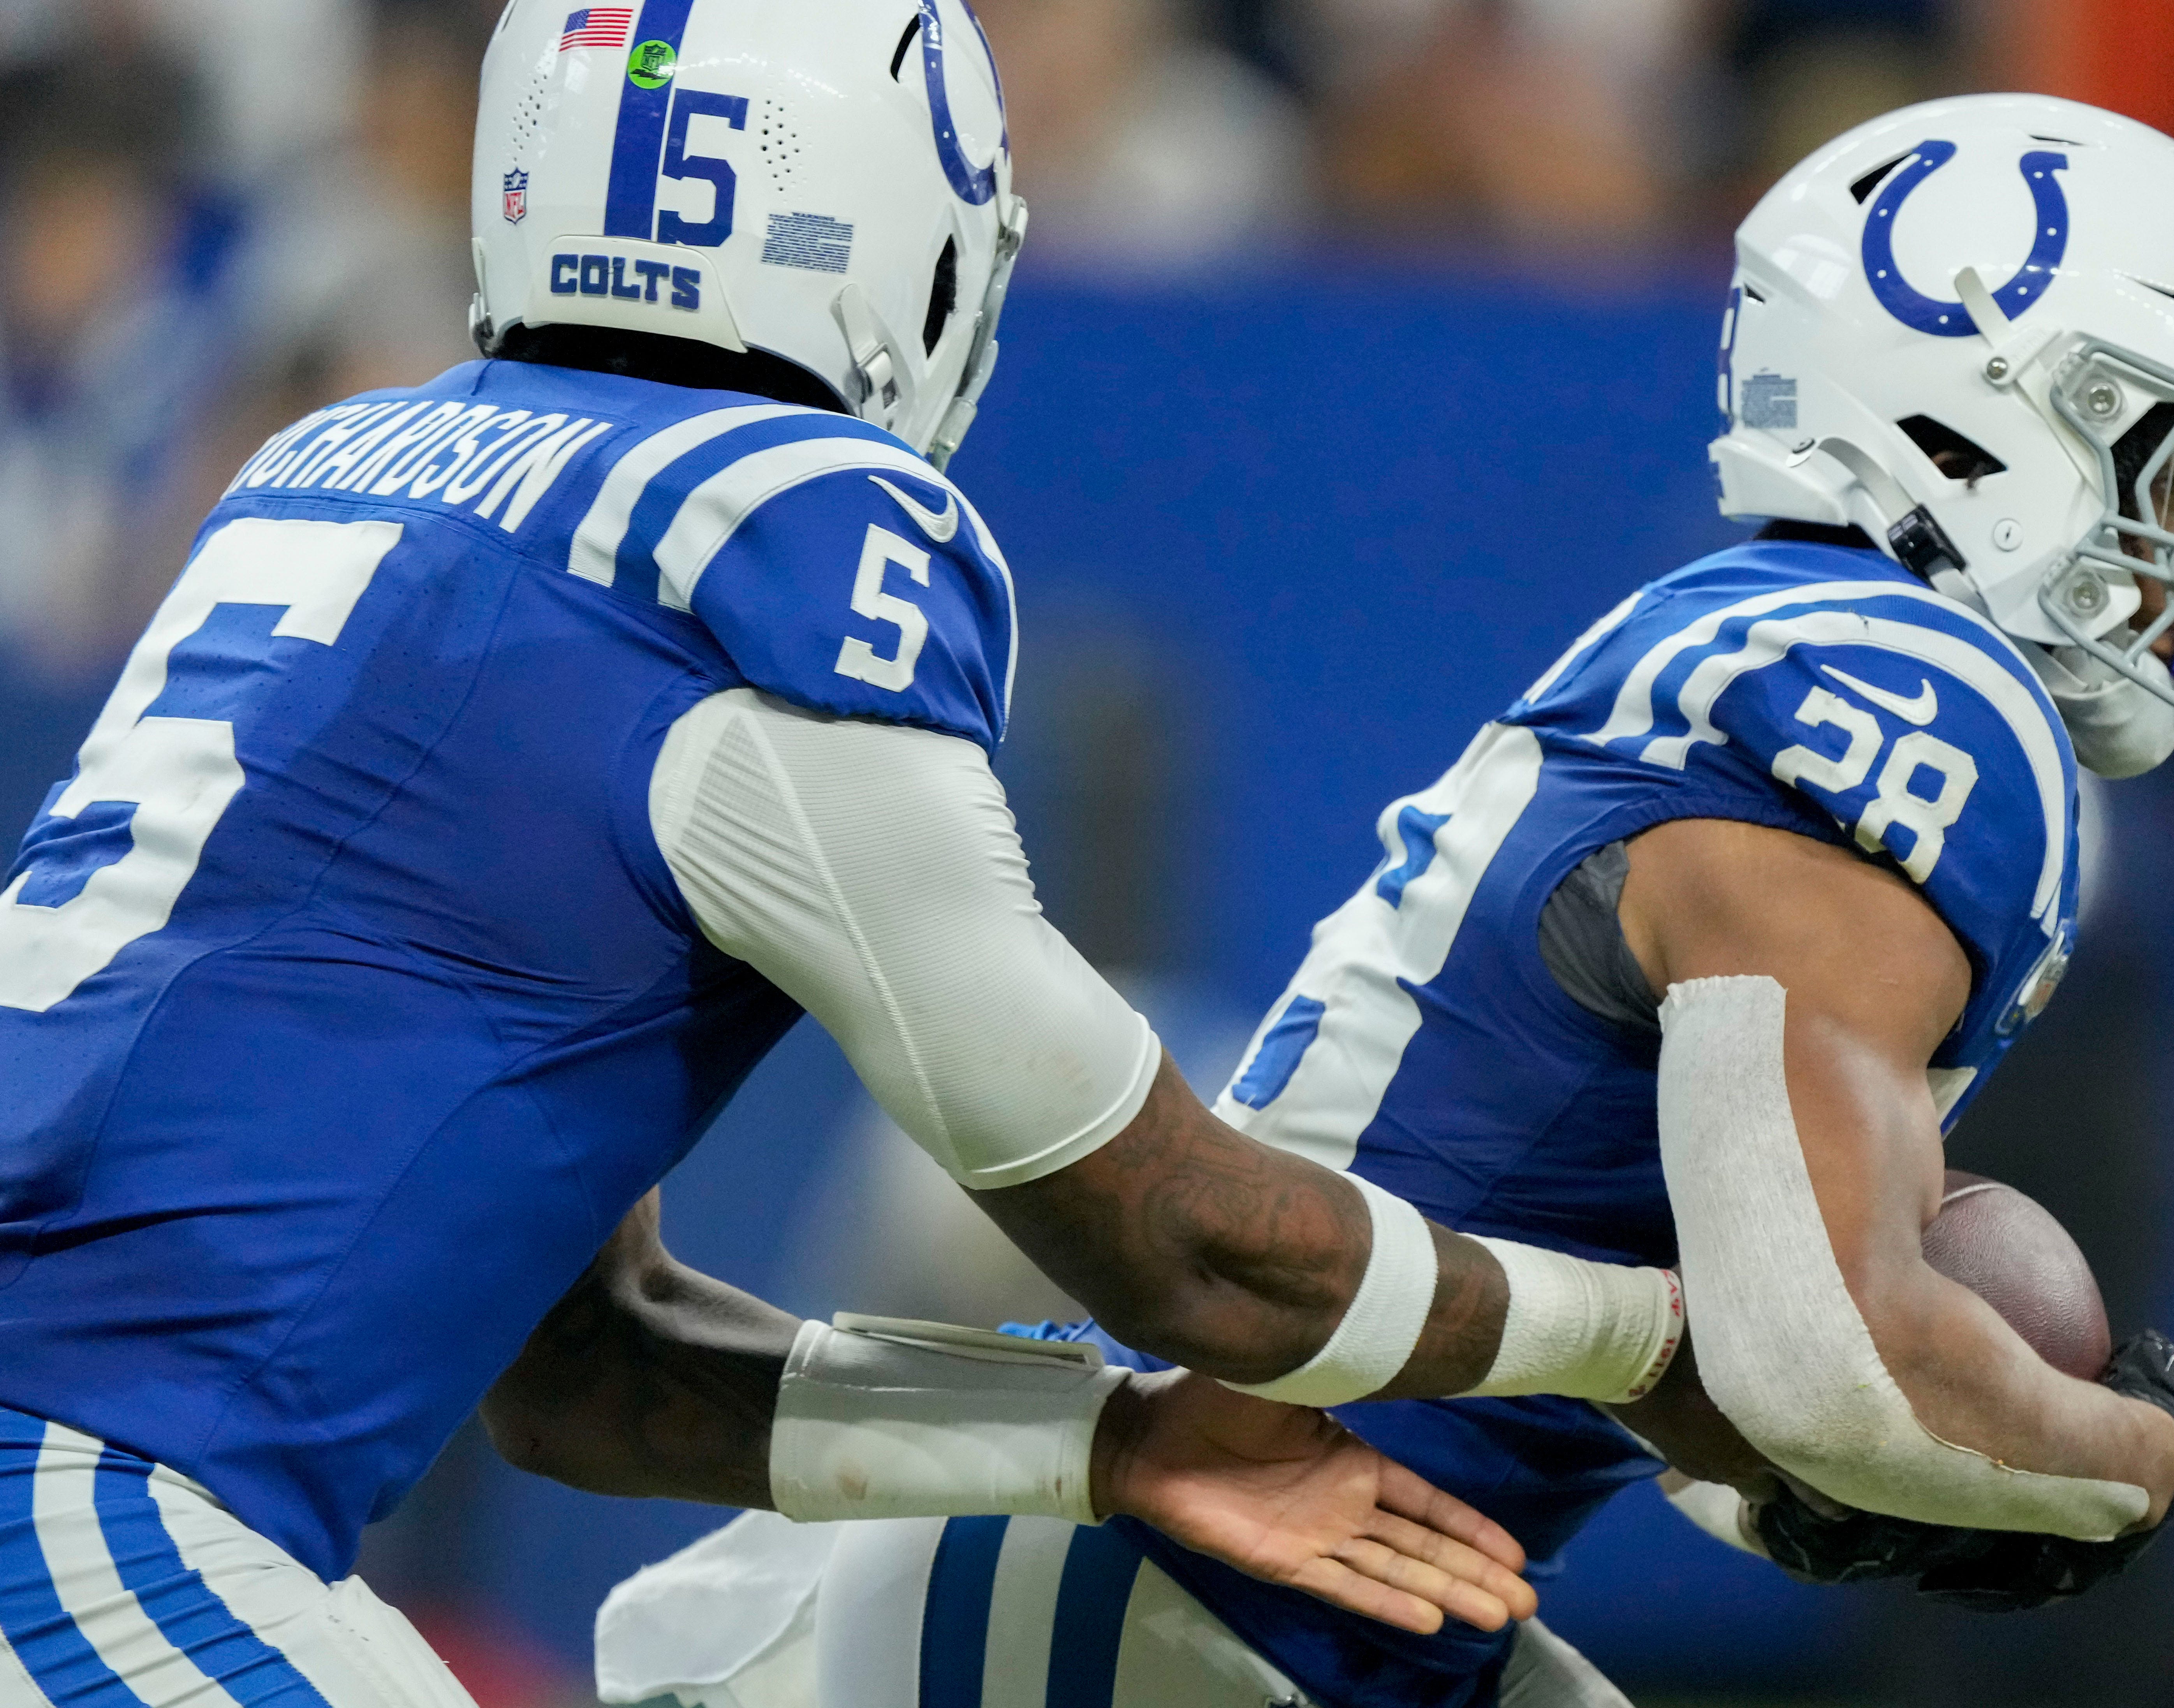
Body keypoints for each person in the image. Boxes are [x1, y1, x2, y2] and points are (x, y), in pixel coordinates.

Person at [0, 3, 1745, 1699]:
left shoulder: (347, 465)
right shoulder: (783, 537)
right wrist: (1650, 1336)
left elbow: (583, 1372)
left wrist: (1114, 1439)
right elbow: (1187, 1241)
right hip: (83, 1486)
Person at [597, 90, 2174, 1706]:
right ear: (1980, 435)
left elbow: (1687, 1347)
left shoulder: (1759, 642)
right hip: (1184, 1593)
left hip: (1257, 1572)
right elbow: (1826, 1360)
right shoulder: (1915, 694)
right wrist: (2136, 1460)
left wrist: (1834, 1487)